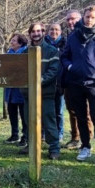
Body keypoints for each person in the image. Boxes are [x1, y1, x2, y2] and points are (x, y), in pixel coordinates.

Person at [60, 5, 95, 165]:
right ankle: (85, 146)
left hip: (93, 83)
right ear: (83, 17)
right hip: (75, 82)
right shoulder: (74, 36)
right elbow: (65, 56)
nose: (89, 19)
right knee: (81, 117)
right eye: (87, 16)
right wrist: (70, 67)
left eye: (92, 17)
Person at [20, 23, 62, 160]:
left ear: (43, 32)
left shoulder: (52, 51)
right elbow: (19, 71)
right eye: (33, 31)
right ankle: (31, 145)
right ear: (30, 34)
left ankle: (54, 148)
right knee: (28, 121)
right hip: (28, 95)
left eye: (38, 31)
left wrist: (37, 81)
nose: (36, 34)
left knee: (49, 122)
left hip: (45, 94)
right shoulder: (25, 52)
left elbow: (53, 71)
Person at [61, 9, 93, 150]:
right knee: (72, 110)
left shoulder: (87, 33)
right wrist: (69, 67)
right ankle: (75, 138)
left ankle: (88, 139)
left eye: (73, 19)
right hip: (70, 79)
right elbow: (66, 56)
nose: (70, 22)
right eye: (68, 19)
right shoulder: (71, 35)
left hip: (86, 79)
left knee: (85, 111)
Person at [3, 33, 29, 147]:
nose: (11, 43)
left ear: (20, 42)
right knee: (12, 113)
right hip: (10, 90)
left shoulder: (26, 52)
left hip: (21, 90)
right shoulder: (9, 53)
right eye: (11, 41)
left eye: (14, 41)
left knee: (24, 115)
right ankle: (14, 134)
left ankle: (25, 136)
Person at [45, 22, 66, 142]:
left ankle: (60, 133)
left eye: (57, 29)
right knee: (46, 110)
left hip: (60, 82)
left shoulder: (65, 44)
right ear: (48, 31)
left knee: (59, 111)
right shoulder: (44, 44)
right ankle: (45, 132)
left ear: (60, 31)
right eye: (52, 29)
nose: (54, 31)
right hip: (46, 82)